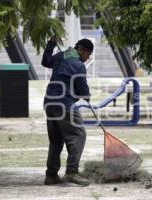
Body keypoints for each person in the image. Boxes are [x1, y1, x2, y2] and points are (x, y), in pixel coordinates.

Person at [41, 37, 93, 186]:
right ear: (81, 50)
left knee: (56, 140)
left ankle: (51, 175)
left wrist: (50, 44)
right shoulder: (78, 65)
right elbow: (83, 89)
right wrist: (87, 96)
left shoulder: (61, 56)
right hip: (63, 103)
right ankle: (71, 172)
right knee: (78, 135)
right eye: (88, 54)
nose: (87, 58)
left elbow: (45, 61)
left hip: (49, 102)